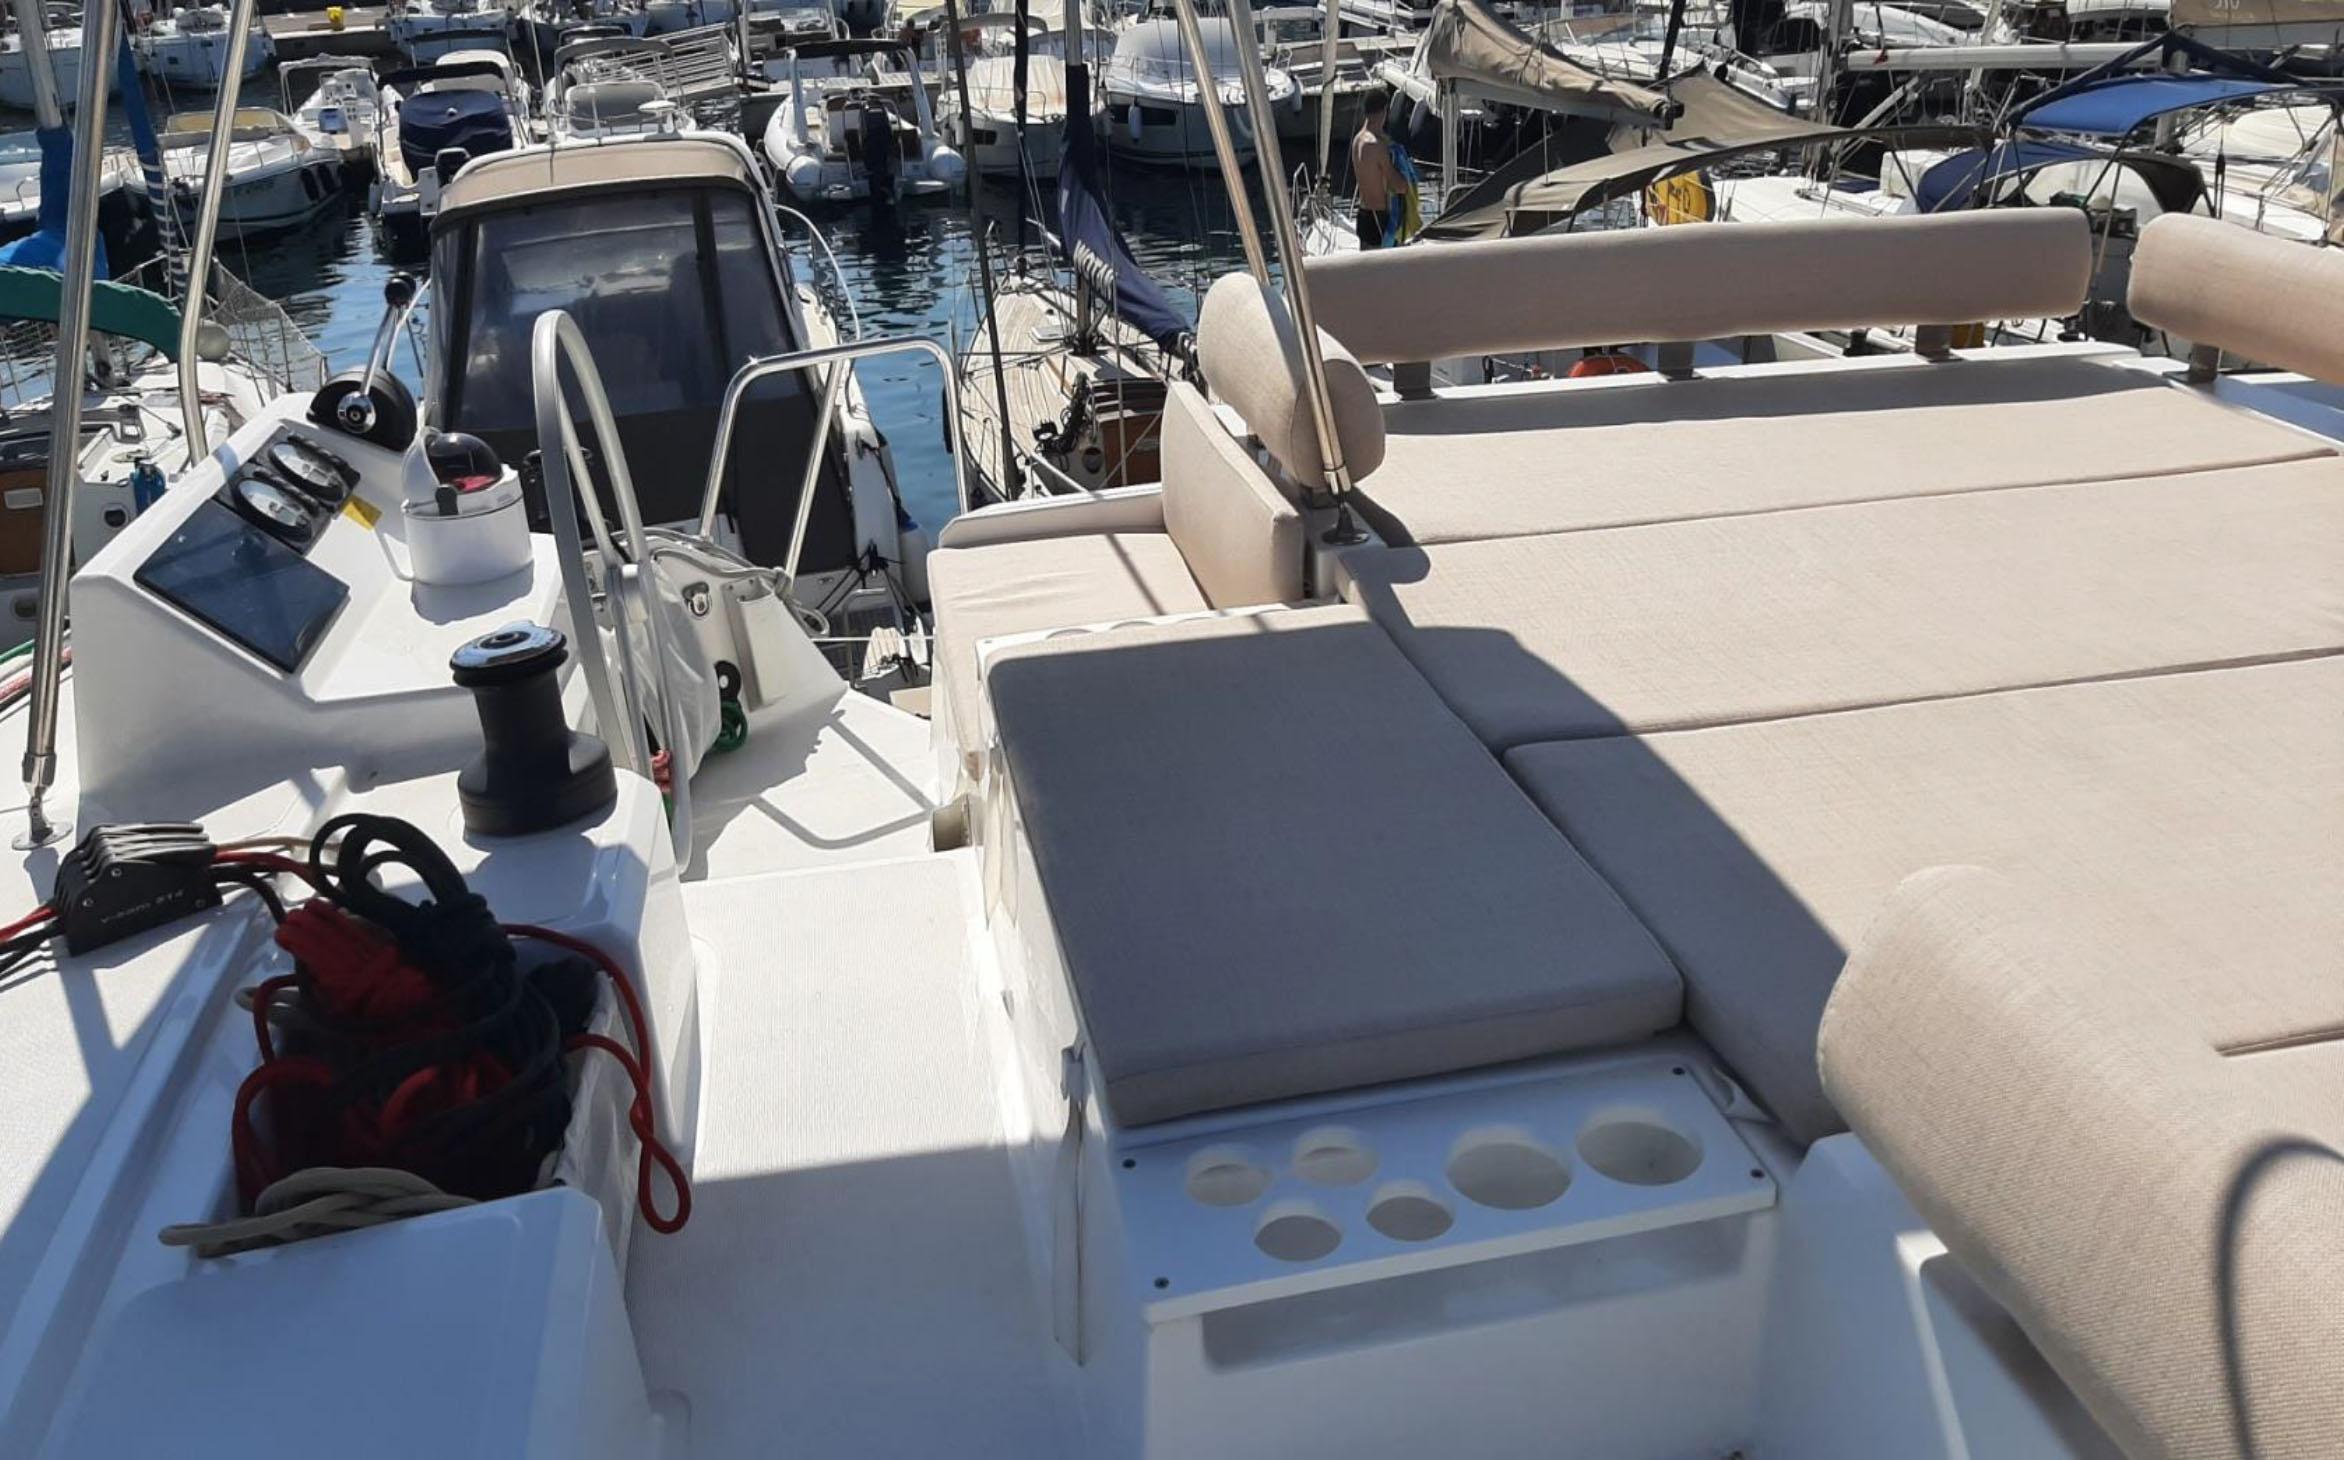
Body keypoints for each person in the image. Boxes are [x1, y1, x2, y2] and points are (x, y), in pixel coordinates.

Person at [1350, 86, 1401, 251]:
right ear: (1384, 111)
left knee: (1366, 265)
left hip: (1364, 214)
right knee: (1386, 266)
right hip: (1379, 219)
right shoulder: (1376, 146)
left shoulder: (1358, 140)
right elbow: (1398, 186)